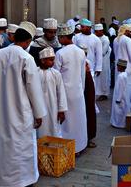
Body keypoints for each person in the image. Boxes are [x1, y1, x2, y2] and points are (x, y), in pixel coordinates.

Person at [0, 21, 47, 187]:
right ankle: (22, 181)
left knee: (4, 144)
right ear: (28, 40)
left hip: (2, 109)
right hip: (21, 110)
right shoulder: (26, 57)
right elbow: (33, 89)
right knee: (21, 145)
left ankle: (2, 181)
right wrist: (39, 113)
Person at [55, 24, 88, 154]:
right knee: (78, 120)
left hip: (65, 92)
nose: (58, 39)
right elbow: (82, 74)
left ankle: (68, 148)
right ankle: (79, 146)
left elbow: (56, 75)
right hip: (78, 91)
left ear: (64, 37)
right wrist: (81, 89)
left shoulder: (60, 53)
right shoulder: (80, 51)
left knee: (67, 122)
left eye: (59, 37)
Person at [36, 47, 67, 139]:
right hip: (39, 107)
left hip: (53, 107)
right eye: (50, 60)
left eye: (53, 60)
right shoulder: (35, 72)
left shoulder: (56, 74)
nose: (53, 62)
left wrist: (61, 110)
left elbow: (61, 92)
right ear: (42, 60)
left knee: (54, 128)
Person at [113, 24, 131, 107]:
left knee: (119, 87)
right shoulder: (127, 39)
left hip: (118, 67)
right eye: (129, 31)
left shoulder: (116, 39)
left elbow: (115, 53)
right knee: (128, 88)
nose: (130, 33)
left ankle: (119, 103)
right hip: (128, 67)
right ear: (126, 31)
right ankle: (128, 106)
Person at [80, 44, 98, 148]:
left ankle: (89, 138)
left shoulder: (87, 64)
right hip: (79, 94)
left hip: (88, 93)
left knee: (89, 114)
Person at [94, 24, 111, 101]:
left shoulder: (105, 40)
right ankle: (99, 93)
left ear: (101, 31)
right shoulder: (96, 38)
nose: (96, 33)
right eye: (95, 32)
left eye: (97, 32)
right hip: (97, 60)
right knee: (98, 78)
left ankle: (104, 94)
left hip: (104, 62)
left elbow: (102, 52)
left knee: (104, 77)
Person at [110, 59, 128, 128]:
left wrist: (118, 98)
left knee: (118, 111)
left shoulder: (121, 76)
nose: (117, 68)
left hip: (120, 97)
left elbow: (121, 88)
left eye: (117, 66)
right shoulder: (124, 74)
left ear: (121, 67)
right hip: (121, 96)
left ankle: (118, 124)